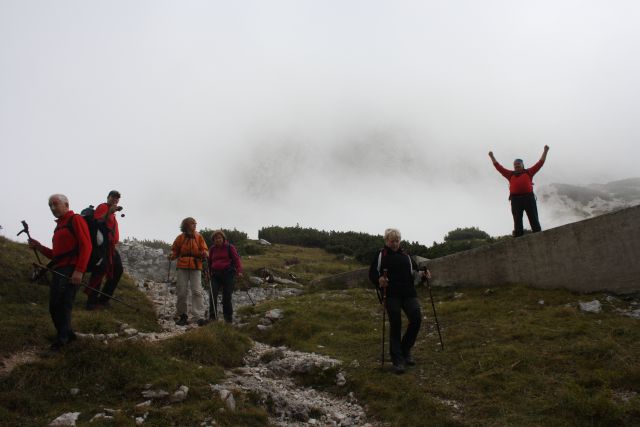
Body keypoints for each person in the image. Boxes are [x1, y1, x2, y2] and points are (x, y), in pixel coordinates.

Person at [28, 194, 92, 351]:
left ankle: (62, 340)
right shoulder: (59, 227)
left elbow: (86, 246)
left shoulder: (75, 219)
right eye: (50, 206)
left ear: (66, 204)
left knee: (61, 304)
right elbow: (56, 255)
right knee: (56, 305)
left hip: (70, 270)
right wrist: (39, 247)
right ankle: (67, 335)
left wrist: (79, 271)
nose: (52, 208)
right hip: (59, 269)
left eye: (55, 204)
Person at [369, 228, 430, 374]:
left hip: (409, 293)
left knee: (416, 319)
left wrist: (424, 275)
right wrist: (380, 280)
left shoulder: (406, 254)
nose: (395, 244)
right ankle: (397, 360)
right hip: (391, 295)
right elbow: (372, 273)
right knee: (396, 324)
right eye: (392, 241)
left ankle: (405, 350)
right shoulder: (381, 254)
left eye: (397, 241)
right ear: (386, 241)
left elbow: (415, 272)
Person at [489, 145, 549, 237]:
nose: (516, 166)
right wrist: (492, 156)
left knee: (533, 219)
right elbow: (499, 167)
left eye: (518, 164)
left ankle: (538, 235)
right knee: (517, 221)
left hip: (529, 198)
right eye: (515, 165)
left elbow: (540, 163)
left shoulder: (529, 172)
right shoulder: (510, 174)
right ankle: (518, 237)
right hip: (515, 200)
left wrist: (545, 151)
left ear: (522, 165)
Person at [85, 190, 124, 309]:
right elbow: (98, 221)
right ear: (108, 197)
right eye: (113, 197)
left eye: (117, 198)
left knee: (116, 270)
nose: (115, 200)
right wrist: (109, 212)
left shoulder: (112, 212)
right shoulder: (103, 207)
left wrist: (111, 212)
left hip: (110, 247)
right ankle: (92, 302)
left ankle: (103, 299)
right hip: (102, 246)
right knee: (99, 271)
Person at [169, 217, 208, 326]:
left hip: (196, 266)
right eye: (192, 223)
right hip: (183, 266)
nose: (195, 225)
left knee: (197, 291)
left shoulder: (199, 236)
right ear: (186, 225)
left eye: (195, 223)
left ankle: (199, 316)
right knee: (182, 291)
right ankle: (183, 315)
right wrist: (172, 255)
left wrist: (205, 253)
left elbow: (204, 249)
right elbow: (175, 250)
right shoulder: (180, 238)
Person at [208, 230, 243, 323]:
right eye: (215, 238)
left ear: (223, 238)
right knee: (212, 294)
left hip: (228, 274)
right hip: (215, 275)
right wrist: (207, 272)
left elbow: (236, 259)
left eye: (219, 238)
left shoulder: (230, 247)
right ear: (213, 240)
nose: (217, 240)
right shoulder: (212, 249)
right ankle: (212, 317)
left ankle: (228, 318)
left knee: (226, 297)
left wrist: (239, 271)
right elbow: (209, 262)